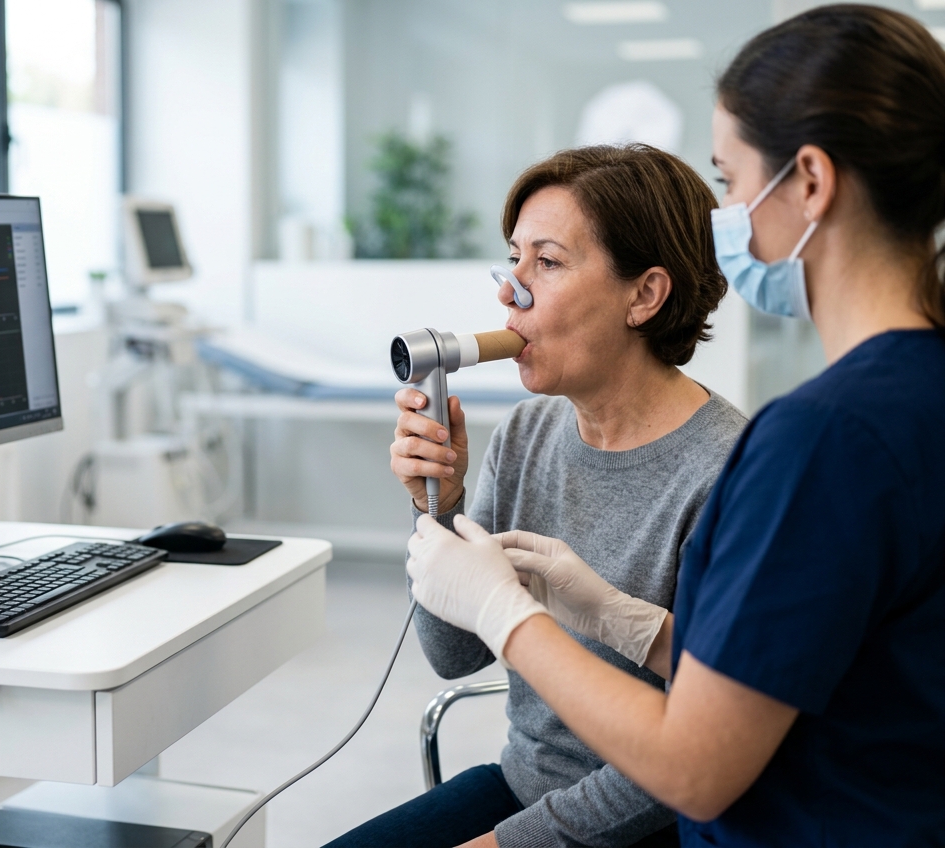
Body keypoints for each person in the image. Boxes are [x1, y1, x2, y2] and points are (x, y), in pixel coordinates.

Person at [405, 6, 945, 846]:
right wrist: (631, 622)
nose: (723, 216)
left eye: (729, 181)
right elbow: (807, 672)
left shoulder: (819, 441)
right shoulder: (907, 397)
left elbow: (696, 764)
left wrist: (507, 613)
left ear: (809, 180)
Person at [329, 144, 748, 848]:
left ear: (644, 295)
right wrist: (439, 503)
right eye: (513, 259)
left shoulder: (727, 472)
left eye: (546, 263)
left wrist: (502, 845)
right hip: (522, 784)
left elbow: (700, 752)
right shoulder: (528, 433)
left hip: (656, 820)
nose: (509, 292)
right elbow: (454, 653)